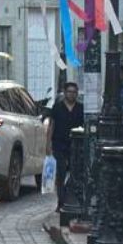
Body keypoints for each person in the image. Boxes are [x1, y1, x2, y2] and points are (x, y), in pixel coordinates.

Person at [46, 81, 86, 210]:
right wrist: (48, 143)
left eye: (74, 92)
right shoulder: (57, 107)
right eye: (69, 92)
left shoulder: (80, 108)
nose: (72, 94)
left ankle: (73, 199)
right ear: (64, 93)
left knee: (76, 172)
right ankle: (61, 201)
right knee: (61, 173)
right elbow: (51, 125)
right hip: (59, 143)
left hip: (76, 145)